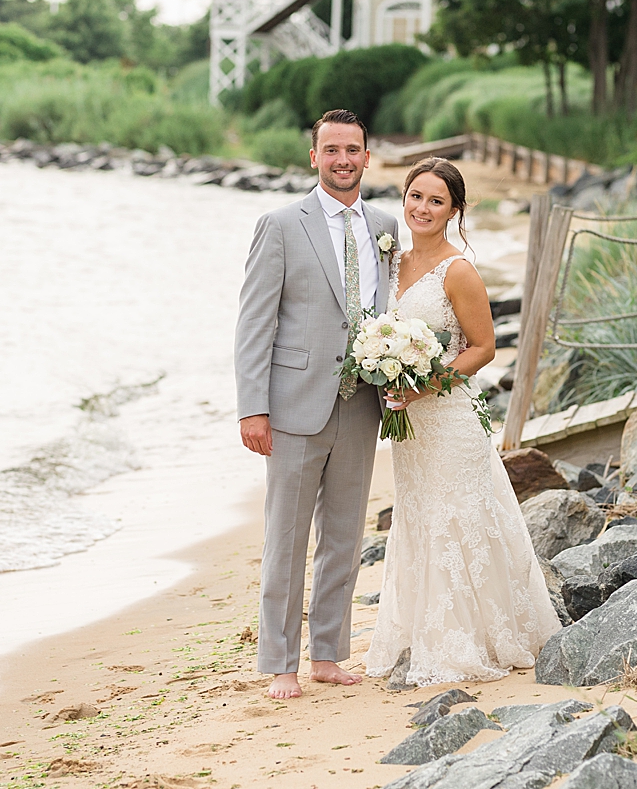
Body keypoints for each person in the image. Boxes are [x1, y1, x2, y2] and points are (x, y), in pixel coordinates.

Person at [364, 157, 561, 687]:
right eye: (415, 196)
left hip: (448, 419)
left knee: (460, 520)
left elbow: (484, 348)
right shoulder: (390, 264)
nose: (422, 208)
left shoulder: (458, 270)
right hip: (410, 428)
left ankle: (473, 639)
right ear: (403, 199)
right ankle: (422, 634)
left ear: (454, 210)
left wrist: (422, 384)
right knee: (420, 518)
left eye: (436, 201)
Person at [234, 109, 402, 700]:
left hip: (362, 405)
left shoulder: (385, 225)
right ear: (314, 157)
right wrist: (252, 407)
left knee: (344, 537)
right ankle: (280, 662)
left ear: (367, 156)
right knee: (286, 538)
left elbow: (392, 311)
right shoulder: (280, 224)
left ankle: (328, 653)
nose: (343, 160)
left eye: (353, 150)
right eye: (331, 150)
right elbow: (255, 322)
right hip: (293, 406)